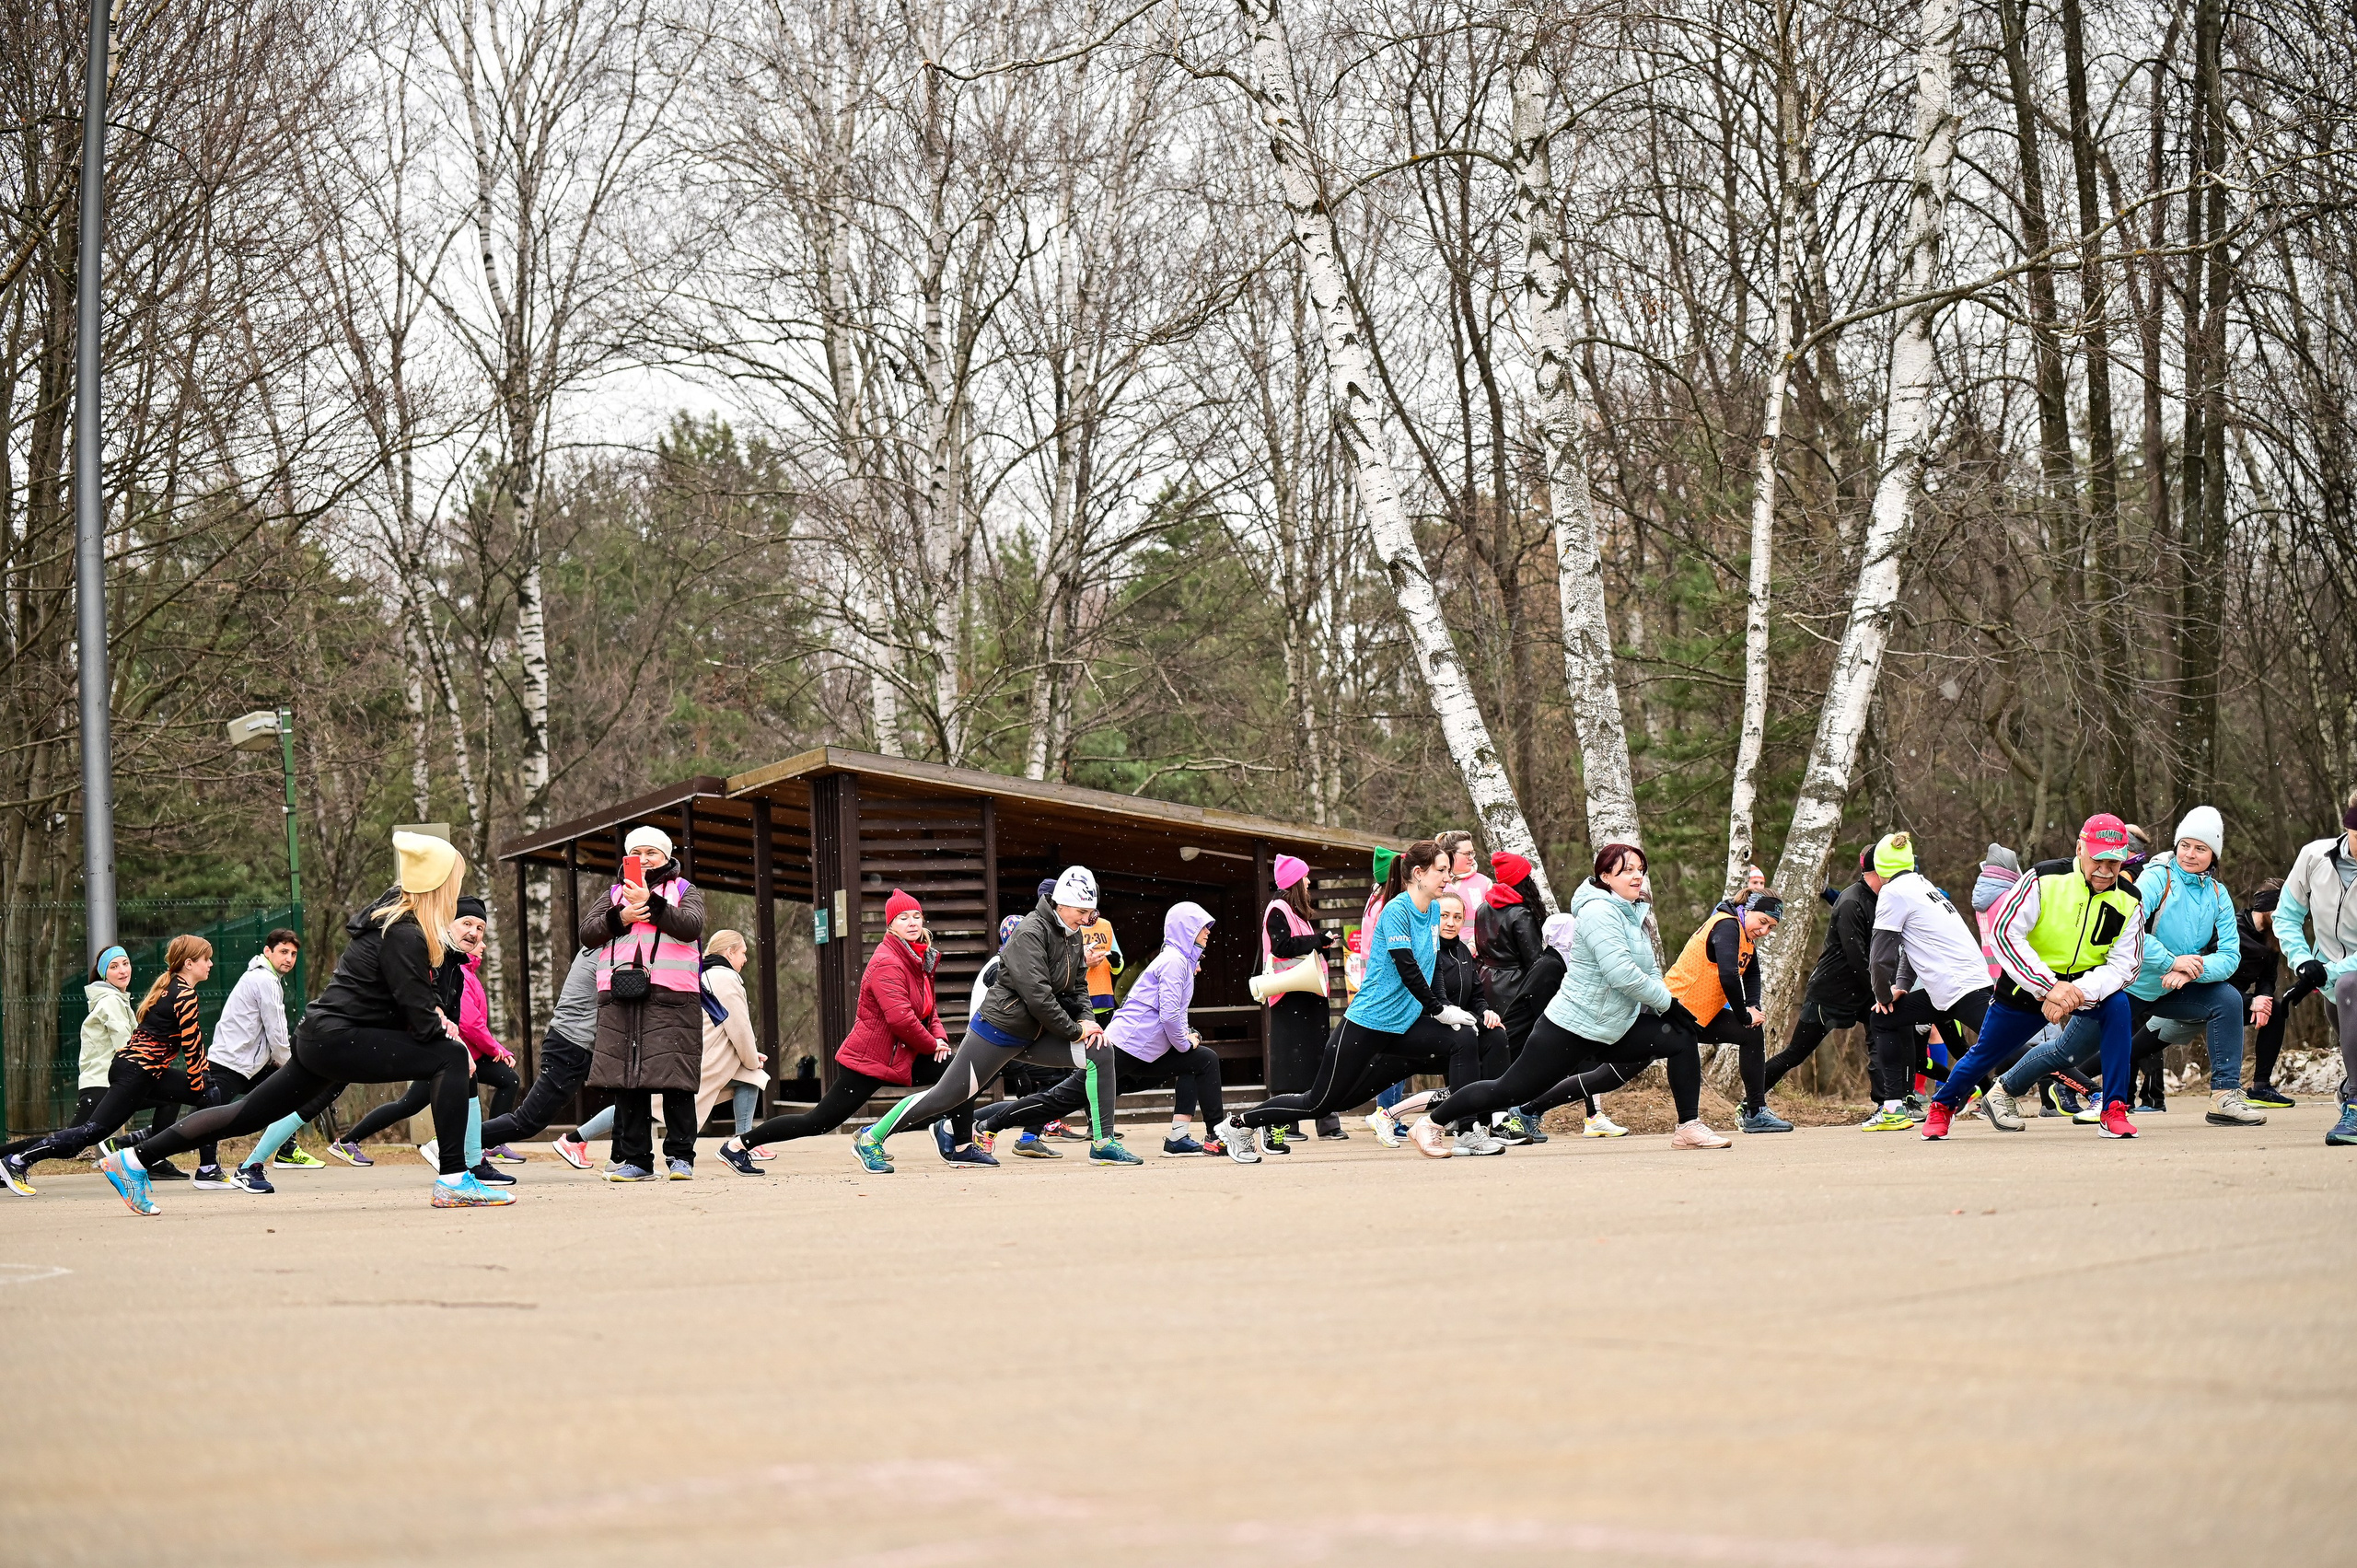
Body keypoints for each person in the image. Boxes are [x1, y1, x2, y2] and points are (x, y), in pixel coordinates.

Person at [76, 833, 508, 1213]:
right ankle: (454, 1179)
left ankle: (133, 1160)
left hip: (320, 1037)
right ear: (438, 885)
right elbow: (417, 1014)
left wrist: (438, 1006)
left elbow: (410, 996)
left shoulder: (393, 922)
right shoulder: (403, 932)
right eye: (454, 884)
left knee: (244, 1114)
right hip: (340, 1039)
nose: (456, 895)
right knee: (451, 1056)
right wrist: (444, 1034)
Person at [1407, 843, 1728, 1154]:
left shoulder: (1631, 913)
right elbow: (1621, 973)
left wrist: (1666, 1008)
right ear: (1605, 876)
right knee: (1507, 1090)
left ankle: (1688, 1127)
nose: (1636, 877)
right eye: (1627, 870)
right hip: (1570, 1026)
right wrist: (1667, 1004)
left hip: (1612, 1025)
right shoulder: (1599, 911)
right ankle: (1430, 1123)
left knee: (1682, 1036)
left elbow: (1647, 969)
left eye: (1640, 870)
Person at [1217, 840, 1517, 1159]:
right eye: (1441, 870)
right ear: (1418, 873)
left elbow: (1431, 969)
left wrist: (1447, 1006)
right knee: (1321, 1102)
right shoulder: (1395, 912)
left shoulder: (1432, 910)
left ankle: (1466, 1131)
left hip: (1403, 1027)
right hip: (1367, 1024)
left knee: (1464, 1039)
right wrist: (1439, 1009)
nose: (1447, 876)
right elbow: (1408, 969)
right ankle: (1239, 1124)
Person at [850, 866, 1130, 1168]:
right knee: (945, 1097)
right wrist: (1075, 1030)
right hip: (997, 1031)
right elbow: (1038, 997)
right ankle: (871, 1138)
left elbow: (1077, 986)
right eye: (1083, 911)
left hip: (1035, 1033)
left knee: (1100, 1049)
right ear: (1061, 905)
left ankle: (1103, 1144)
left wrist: (1088, 1022)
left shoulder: (1073, 934)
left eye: (1093, 912)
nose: (1088, 920)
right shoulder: (1030, 932)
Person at [715, 890, 972, 1172]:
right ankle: (738, 1146)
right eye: (903, 918)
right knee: (817, 1122)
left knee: (960, 1075)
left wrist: (940, 1038)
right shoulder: (888, 960)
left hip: (900, 1055)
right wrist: (931, 1045)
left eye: (916, 916)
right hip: (869, 1060)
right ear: (890, 925)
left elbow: (928, 1008)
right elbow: (901, 1019)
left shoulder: (917, 957)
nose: (912, 922)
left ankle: (961, 1147)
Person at [1923, 814, 2144, 1141]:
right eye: (2098, 858)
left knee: (2119, 1007)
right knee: (1987, 1052)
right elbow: (2006, 934)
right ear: (2080, 849)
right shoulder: (2043, 877)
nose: (2105, 869)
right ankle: (1942, 1106)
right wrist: (2048, 987)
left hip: (2084, 987)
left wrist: (2075, 992)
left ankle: (2113, 1107)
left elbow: (2126, 964)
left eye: (2114, 861)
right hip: (2026, 983)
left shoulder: (2130, 899)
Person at [977, 902, 1241, 1160]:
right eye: (1203, 927)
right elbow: (1170, 1015)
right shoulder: (1174, 962)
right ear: (1187, 929)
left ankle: (1195, 1138)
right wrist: (1185, 1042)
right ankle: (989, 1123)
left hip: (1142, 1051)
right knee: (1061, 1099)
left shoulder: (1181, 961)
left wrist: (1187, 1038)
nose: (1208, 932)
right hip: (1122, 1048)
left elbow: (1176, 1014)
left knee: (1202, 1060)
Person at [3, 936, 217, 1195]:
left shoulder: (168, 986)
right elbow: (191, 1042)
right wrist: (199, 1078)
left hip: (141, 1071)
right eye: (206, 959)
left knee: (205, 1093)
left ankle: (196, 1167)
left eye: (125, 963)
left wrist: (202, 1080)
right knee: (89, 1133)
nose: (211, 964)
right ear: (190, 963)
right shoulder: (178, 994)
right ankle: (16, 1160)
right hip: (131, 1073)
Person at [2102, 807, 2264, 1127]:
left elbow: (2231, 956)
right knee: (2069, 1050)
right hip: (2130, 983)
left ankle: (2224, 1096)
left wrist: (2189, 969)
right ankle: (2007, 1087)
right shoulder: (2155, 878)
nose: (2190, 854)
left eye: (2201, 848)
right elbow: (2126, 932)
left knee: (2227, 999)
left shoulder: (2218, 894)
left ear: (2213, 855)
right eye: (2185, 845)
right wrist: (2171, 961)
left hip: (2172, 987)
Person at [336, 896, 513, 1183]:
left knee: (450, 1081)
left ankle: (468, 1164)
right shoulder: (434, 955)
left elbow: (451, 1016)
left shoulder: (456, 964)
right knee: (308, 1093)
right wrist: (465, 1045)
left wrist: (456, 1041)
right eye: (467, 923)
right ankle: (455, 1164)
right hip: (363, 1035)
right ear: (447, 925)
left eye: (480, 928)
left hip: (415, 1037)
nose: (474, 933)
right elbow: (425, 1005)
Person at [579, 825, 706, 1182]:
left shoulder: (684, 890)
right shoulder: (612, 894)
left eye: (652, 852)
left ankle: (681, 1158)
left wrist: (650, 906)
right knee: (627, 1083)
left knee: (675, 1081)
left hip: (672, 1000)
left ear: (667, 857)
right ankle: (636, 1161)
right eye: (637, 853)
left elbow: (691, 925)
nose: (644, 859)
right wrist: (621, 917)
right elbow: (587, 932)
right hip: (621, 999)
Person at [1852, 834, 1994, 1134]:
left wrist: (1881, 994)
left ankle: (2091, 1091)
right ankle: (1893, 1108)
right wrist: (1900, 986)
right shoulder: (1921, 885)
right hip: (1956, 985)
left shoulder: (1893, 893)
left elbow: (1880, 958)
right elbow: (1910, 946)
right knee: (1884, 1018)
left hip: (1958, 988)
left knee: (2009, 1045)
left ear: (1879, 868)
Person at [1759, 849, 1879, 1118]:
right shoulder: (1851, 900)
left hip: (1863, 991)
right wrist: (1879, 989)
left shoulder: (1883, 899)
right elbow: (1854, 955)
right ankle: (1752, 1099)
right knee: (1796, 1053)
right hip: (1831, 992)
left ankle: (1886, 1104)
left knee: (1881, 1043)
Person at [1664, 889, 1789, 1133]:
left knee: (1751, 1033)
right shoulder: (1727, 926)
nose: (1764, 931)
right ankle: (1568, 1092)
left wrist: (1754, 1007)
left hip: (1700, 1015)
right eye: (1763, 922)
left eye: (1771, 928)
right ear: (1747, 910)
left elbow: (1752, 972)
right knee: (1613, 1073)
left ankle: (1755, 1112)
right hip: (1674, 1012)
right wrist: (1743, 1015)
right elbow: (1729, 977)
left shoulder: (1745, 933)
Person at [2275, 787, 2357, 1146]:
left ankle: (2355, 1103)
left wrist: (2331, 972)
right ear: (2348, 827)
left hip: (2344, 981)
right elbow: (2287, 916)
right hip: (2330, 982)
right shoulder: (2313, 857)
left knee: (2349, 986)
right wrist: (2305, 961)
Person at [204, 929, 301, 1192]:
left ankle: (287, 1149)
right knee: (209, 1116)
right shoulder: (265, 980)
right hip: (232, 1062)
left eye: (293, 954)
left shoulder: (264, 977)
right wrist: (288, 1063)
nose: (289, 958)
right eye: (283, 952)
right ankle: (202, 1168)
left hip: (248, 1063)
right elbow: (277, 1030)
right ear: (267, 952)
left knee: (285, 1094)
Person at [1260, 854, 1342, 1150]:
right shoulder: (1278, 909)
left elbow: (1307, 948)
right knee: (1290, 1063)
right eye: (1305, 877)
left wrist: (1324, 944)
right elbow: (1282, 947)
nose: (1309, 882)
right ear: (1295, 881)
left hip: (1309, 994)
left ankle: (1327, 1122)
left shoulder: (1298, 912)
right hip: (1289, 996)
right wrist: (1318, 940)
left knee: (1318, 1058)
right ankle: (1285, 1124)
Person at [695, 931, 769, 1153]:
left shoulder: (703, 973)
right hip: (708, 1061)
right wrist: (751, 1059)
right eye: (743, 953)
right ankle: (742, 1144)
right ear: (729, 952)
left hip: (696, 1056)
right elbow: (739, 1027)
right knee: (752, 1075)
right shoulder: (725, 978)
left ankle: (743, 1141)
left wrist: (750, 1057)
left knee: (641, 1104)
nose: (745, 959)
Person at [2237, 883, 2293, 1109]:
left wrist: (2264, 1003)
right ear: (2270, 909)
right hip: (2208, 998)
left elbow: (2267, 979)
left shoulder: (2272, 938)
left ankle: (2261, 1087)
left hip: (2240, 1004)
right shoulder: (2231, 927)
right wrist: (2252, 1002)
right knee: (2139, 1047)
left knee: (2277, 1010)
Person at [1474, 851, 1546, 1018]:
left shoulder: (1482, 908)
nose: (1532, 879)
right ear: (1522, 880)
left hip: (1486, 982)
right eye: (1528, 875)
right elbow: (1534, 960)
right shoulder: (1521, 914)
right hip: (1515, 987)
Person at [73, 947, 136, 1127]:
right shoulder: (111, 1001)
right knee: (68, 1143)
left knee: (168, 1100)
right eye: (114, 966)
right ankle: (13, 1155)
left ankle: (147, 1152)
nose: (123, 970)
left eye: (125, 963)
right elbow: (125, 1047)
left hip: (104, 1085)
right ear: (104, 975)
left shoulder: (115, 999)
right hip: (103, 1086)